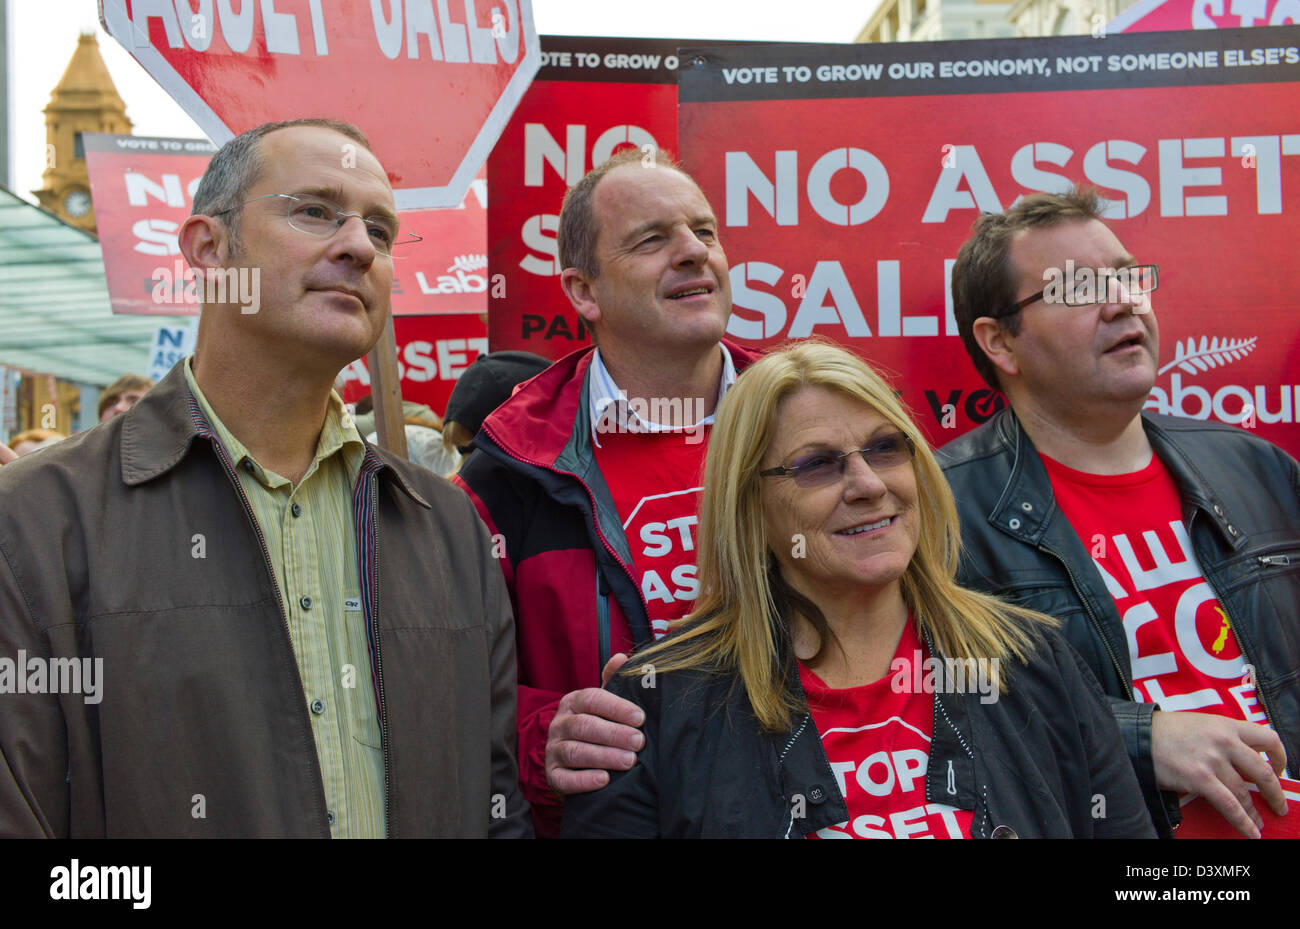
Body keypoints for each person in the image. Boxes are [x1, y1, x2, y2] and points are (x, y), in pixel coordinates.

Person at [0, 118, 530, 838]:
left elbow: (496, 803)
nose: (358, 246)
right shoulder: (36, 520)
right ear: (209, 248)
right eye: (313, 211)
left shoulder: (448, 528)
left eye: (380, 229)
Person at [561, 340, 1154, 838]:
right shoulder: (657, 703)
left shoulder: (1032, 659)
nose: (868, 484)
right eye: (817, 465)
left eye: (886, 448)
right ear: (751, 508)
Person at [939, 186, 1297, 839]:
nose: (1122, 301)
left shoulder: (1256, 468)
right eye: (1078, 288)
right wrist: (1139, 735)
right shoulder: (937, 510)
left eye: (1126, 276)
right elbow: (928, 718)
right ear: (1000, 342)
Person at [453, 148, 763, 835]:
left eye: (704, 231)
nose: (692, 252)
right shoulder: (507, 471)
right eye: (653, 239)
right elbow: (448, 688)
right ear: (583, 291)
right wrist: (544, 734)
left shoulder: (810, 423)